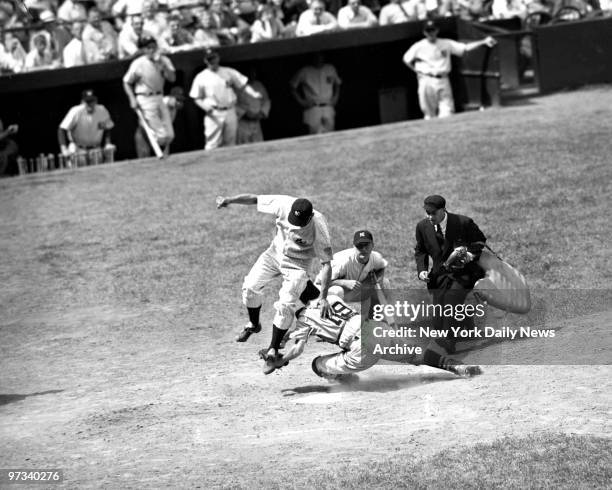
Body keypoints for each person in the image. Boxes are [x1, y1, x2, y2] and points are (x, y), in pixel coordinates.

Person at [215, 194, 334, 373]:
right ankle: (254, 324)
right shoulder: (284, 204)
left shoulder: (319, 227)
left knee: (285, 306)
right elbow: (255, 199)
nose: (295, 224)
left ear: (309, 217)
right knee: (250, 287)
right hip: (274, 254)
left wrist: (324, 298)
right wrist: (229, 200)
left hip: (297, 266)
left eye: (299, 222)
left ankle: (273, 349)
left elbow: (326, 264)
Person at [266, 295, 483, 379]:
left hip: (361, 351)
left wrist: (282, 360)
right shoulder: (328, 297)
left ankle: (343, 378)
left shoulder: (304, 321)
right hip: (376, 329)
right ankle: (454, 366)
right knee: (414, 355)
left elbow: (297, 349)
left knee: (317, 364)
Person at [414, 194, 487, 353]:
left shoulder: (463, 222)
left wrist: (468, 256)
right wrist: (422, 271)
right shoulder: (422, 227)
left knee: (451, 300)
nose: (430, 216)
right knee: (438, 320)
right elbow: (420, 251)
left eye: (433, 213)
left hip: (465, 273)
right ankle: (467, 324)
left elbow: (480, 242)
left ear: (443, 210)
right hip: (439, 276)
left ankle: (448, 342)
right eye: (427, 212)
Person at [402, 20, 497, 120]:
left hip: (443, 78)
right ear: (424, 32)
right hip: (427, 79)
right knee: (429, 114)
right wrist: (417, 72)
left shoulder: (445, 43)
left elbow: (464, 48)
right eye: (428, 30)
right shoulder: (419, 46)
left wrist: (483, 42)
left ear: (437, 30)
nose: (431, 33)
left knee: (447, 112)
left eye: (432, 30)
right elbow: (406, 59)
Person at [189, 48, 262, 150]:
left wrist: (253, 93)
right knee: (212, 144)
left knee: (231, 142)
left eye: (214, 58)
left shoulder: (228, 72)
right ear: (205, 60)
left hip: (230, 110)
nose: (212, 61)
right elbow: (196, 97)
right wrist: (205, 107)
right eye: (209, 59)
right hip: (214, 112)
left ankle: (229, 166)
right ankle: (211, 165)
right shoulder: (201, 77)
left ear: (218, 58)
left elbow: (243, 84)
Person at [123, 35, 176, 155]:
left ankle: (144, 135)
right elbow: (126, 82)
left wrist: (163, 66)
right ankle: (145, 144)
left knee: (169, 135)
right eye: (148, 47)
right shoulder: (138, 63)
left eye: (153, 46)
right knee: (161, 136)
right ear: (143, 50)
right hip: (144, 98)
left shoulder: (164, 60)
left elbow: (172, 78)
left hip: (159, 96)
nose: (151, 50)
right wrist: (132, 98)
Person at [318, 229, 390, 308]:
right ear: (354, 247)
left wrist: (376, 279)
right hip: (325, 292)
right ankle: (332, 316)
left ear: (372, 245)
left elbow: (381, 267)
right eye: (360, 246)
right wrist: (344, 283)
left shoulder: (376, 258)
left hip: (355, 291)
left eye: (366, 245)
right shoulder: (343, 261)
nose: (363, 249)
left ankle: (375, 315)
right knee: (337, 290)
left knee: (385, 282)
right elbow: (321, 283)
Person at [290, 52, 341, 134]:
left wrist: (336, 97)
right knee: (315, 135)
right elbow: (292, 86)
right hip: (313, 107)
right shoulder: (304, 71)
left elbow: (337, 83)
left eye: (320, 56)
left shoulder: (330, 68)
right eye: (316, 57)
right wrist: (302, 102)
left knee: (331, 134)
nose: (318, 59)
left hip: (328, 105)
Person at [58, 89, 115, 157]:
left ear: (96, 100)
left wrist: (108, 143)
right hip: (78, 150)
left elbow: (108, 127)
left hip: (96, 149)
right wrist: (64, 149)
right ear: (82, 102)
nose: (89, 104)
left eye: (92, 101)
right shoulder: (76, 111)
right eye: (87, 101)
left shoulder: (102, 110)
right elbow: (61, 129)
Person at [135, 86, 185, 157]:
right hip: (145, 132)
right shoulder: (163, 102)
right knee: (144, 159)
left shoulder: (174, 109)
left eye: (181, 101)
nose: (179, 103)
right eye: (177, 100)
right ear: (171, 97)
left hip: (160, 134)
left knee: (164, 158)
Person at [236, 68, 270, 144]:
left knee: (259, 144)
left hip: (256, 122)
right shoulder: (236, 86)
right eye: (249, 74)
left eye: (253, 74)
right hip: (243, 123)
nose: (251, 76)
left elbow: (266, 101)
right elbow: (232, 104)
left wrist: (262, 113)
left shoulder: (259, 85)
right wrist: (244, 114)